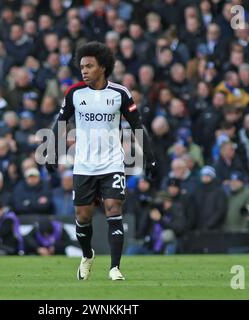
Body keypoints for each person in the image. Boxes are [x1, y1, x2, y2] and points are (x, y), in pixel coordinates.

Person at [44, 42, 157, 281]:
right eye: (82, 66)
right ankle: (87, 255)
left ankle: (115, 268)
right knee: (83, 217)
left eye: (89, 66)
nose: (83, 70)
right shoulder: (75, 93)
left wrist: (150, 157)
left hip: (112, 163)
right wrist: (51, 150)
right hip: (84, 164)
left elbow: (137, 126)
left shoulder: (120, 93)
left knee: (113, 209)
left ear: (102, 67)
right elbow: (61, 122)